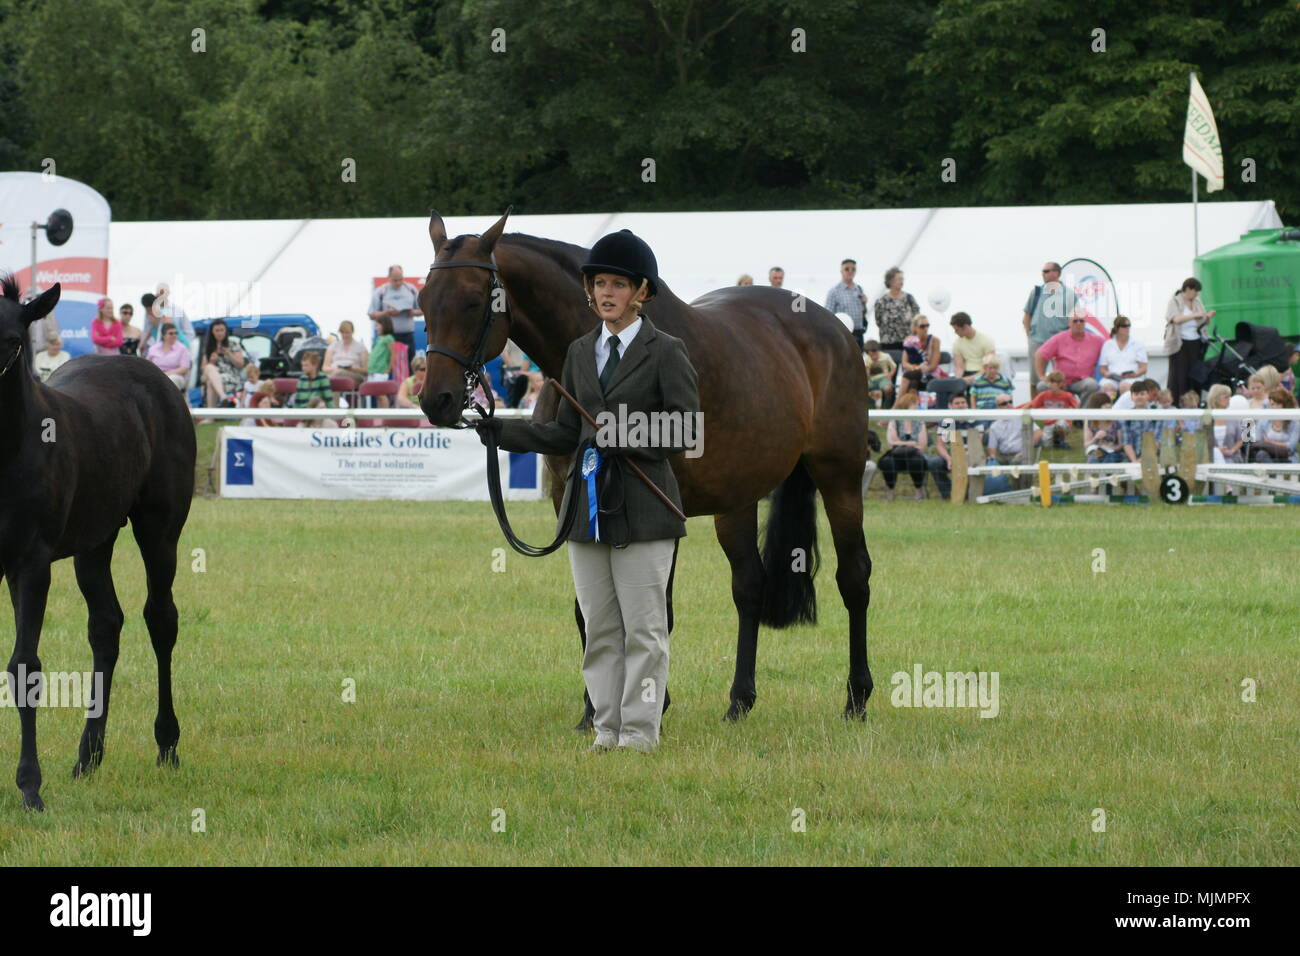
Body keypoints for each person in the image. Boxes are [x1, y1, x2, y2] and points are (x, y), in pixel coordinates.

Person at [476, 228, 700, 754]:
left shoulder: (667, 351)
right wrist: (501, 432)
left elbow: (689, 430)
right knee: (599, 627)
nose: (606, 293)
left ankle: (641, 733)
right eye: (599, 283)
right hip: (586, 510)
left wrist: (621, 431)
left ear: (641, 292)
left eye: (618, 285)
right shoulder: (578, 353)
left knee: (644, 631)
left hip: (646, 506)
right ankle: (606, 730)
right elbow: (566, 432)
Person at [1022, 261, 1077, 395]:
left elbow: (1074, 318)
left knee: (1061, 378)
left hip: (1060, 343)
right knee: (1035, 378)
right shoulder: (1036, 292)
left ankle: (1062, 407)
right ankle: (1034, 409)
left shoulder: (1069, 294)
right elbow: (1027, 315)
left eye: (1046, 271)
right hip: (1037, 339)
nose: (1043, 274)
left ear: (1056, 273)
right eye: (1043, 271)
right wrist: (1029, 335)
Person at [1034, 309, 1103, 406]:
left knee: (1092, 384)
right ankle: (1052, 419)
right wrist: (1041, 376)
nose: (1078, 323)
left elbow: (1111, 350)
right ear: (1069, 323)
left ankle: (1081, 417)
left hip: (1082, 382)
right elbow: (1040, 354)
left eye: (1081, 321)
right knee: (1042, 386)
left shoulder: (1097, 340)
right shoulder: (1059, 338)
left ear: (1085, 323)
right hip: (1060, 382)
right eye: (1075, 321)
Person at [1165, 277, 1214, 400]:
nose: (1196, 294)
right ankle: (1178, 400)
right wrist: (1194, 315)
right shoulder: (1174, 301)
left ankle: (1194, 399)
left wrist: (1207, 317)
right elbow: (1175, 319)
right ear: (1187, 289)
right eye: (1195, 291)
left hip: (1196, 341)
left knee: (1195, 373)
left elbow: (1202, 319)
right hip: (1179, 343)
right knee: (1180, 373)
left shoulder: (1197, 302)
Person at [877, 393, 929, 501]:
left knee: (916, 461)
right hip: (896, 454)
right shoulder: (895, 420)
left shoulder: (920, 422)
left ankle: (918, 491)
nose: (917, 407)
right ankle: (890, 491)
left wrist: (901, 442)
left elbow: (922, 445)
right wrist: (912, 443)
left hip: (914, 455)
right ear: (906, 405)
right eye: (915, 404)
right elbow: (892, 442)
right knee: (887, 462)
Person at [927, 391, 976, 500]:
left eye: (963, 402)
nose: (960, 405)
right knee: (935, 463)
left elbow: (979, 443)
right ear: (950, 406)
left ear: (967, 404)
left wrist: (966, 455)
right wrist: (948, 458)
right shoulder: (948, 421)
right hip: (952, 454)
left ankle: (968, 495)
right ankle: (949, 494)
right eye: (957, 403)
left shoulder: (974, 419)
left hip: (972, 454)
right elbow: (940, 445)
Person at [368, 265, 421, 355]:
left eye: (400, 279)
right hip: (386, 337)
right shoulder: (381, 292)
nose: (398, 283)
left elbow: (422, 310)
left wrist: (412, 312)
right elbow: (371, 315)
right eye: (395, 280)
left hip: (407, 336)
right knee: (387, 366)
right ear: (388, 277)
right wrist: (387, 312)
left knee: (408, 366)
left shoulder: (411, 289)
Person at [199, 318, 247, 406]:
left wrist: (229, 354)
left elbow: (240, 364)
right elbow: (203, 368)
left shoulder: (233, 344)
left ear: (226, 331)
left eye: (222, 330)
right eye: (217, 330)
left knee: (210, 382)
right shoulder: (208, 347)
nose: (220, 333)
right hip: (213, 374)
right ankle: (223, 397)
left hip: (231, 377)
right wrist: (212, 361)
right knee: (209, 367)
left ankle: (211, 417)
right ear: (212, 332)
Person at [1029, 370, 1080, 449]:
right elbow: (1033, 404)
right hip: (1049, 423)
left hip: (1063, 421)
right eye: (1048, 382)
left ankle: (1062, 441)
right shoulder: (1044, 395)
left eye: (1053, 383)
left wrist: (1071, 415)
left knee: (1060, 425)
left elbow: (1076, 407)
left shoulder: (1067, 396)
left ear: (1060, 384)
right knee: (1046, 445)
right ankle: (1052, 440)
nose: (1050, 385)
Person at [872, 266, 919, 351]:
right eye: (899, 279)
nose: (902, 282)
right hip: (888, 343)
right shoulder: (881, 301)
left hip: (908, 342)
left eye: (902, 279)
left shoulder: (909, 299)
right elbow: (878, 322)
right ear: (891, 281)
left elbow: (917, 319)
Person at [824, 258, 868, 348]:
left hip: (859, 333)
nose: (850, 271)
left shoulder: (859, 289)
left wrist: (864, 303)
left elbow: (862, 313)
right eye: (847, 269)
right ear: (841, 271)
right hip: (842, 334)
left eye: (853, 269)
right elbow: (827, 315)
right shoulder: (834, 291)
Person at [1098, 316, 1147, 392]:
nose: (1127, 328)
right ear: (1117, 328)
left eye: (1129, 325)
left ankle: (1126, 403)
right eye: (1124, 326)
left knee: (1124, 387)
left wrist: (1134, 374)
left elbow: (1143, 368)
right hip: (1113, 378)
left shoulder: (1138, 344)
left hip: (1132, 378)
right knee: (1107, 388)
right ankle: (1109, 403)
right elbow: (1103, 369)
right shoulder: (1108, 344)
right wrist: (1107, 374)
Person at [1120, 381, 1165, 462]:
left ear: (1148, 395)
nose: (1139, 397)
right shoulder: (1126, 416)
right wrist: (1134, 461)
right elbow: (1126, 442)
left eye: (1142, 394)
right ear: (1131, 397)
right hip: (1132, 458)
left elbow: (1157, 441)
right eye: (1136, 394)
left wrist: (1143, 459)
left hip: (1153, 457)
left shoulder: (1156, 413)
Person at [1252, 389, 1300, 463]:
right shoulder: (1263, 421)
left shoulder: (1295, 424)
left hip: (1288, 457)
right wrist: (1280, 444)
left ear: (1285, 405)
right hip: (1268, 456)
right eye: (1272, 404)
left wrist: (1270, 442)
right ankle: (1272, 474)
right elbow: (1257, 441)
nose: (1274, 407)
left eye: (1278, 404)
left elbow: (1290, 446)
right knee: (1261, 454)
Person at [948, 312, 996, 382]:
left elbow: (989, 367)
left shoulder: (986, 340)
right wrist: (958, 381)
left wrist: (969, 379)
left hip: (982, 375)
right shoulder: (957, 343)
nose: (955, 332)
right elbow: (959, 367)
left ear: (965, 327)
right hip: (965, 374)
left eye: (957, 329)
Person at [323, 319, 369, 387]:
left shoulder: (361, 347)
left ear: (352, 332)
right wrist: (336, 369)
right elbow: (325, 368)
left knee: (335, 377)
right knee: (336, 376)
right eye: (342, 332)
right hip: (334, 372)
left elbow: (366, 371)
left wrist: (354, 369)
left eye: (347, 332)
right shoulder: (333, 346)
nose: (344, 335)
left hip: (354, 375)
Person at [146, 323, 192, 389]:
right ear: (163, 336)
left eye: (176, 333)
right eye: (171, 333)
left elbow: (184, 368)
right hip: (156, 376)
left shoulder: (182, 349)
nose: (174, 335)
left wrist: (166, 374)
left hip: (175, 376)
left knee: (171, 379)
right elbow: (147, 365)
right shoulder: (153, 349)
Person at [1082, 393, 1124, 463]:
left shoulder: (1116, 421)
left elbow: (1121, 445)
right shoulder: (1090, 421)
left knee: (1109, 458)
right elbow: (1086, 445)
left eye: (1109, 407)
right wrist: (1096, 438)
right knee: (1094, 459)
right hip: (1096, 451)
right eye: (1105, 406)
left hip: (1114, 452)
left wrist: (1111, 448)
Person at [901, 314, 943, 382]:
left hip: (930, 373)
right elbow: (904, 363)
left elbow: (933, 365)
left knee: (909, 378)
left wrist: (923, 369)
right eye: (922, 326)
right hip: (914, 372)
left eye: (927, 325)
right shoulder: (909, 341)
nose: (926, 328)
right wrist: (917, 368)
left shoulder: (935, 340)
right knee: (909, 377)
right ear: (915, 327)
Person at [152, 283, 195, 348]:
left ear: (168, 293)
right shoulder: (151, 311)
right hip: (158, 352)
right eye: (159, 292)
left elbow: (189, 332)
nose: (160, 295)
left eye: (163, 292)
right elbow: (148, 331)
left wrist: (181, 347)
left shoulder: (177, 310)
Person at [367, 314, 395, 408]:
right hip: (373, 371)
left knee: (381, 394)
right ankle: (380, 416)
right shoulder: (379, 339)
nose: (376, 327)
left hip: (381, 371)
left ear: (385, 325)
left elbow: (393, 355)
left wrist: (388, 369)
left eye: (378, 325)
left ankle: (385, 414)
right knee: (377, 394)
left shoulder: (389, 338)